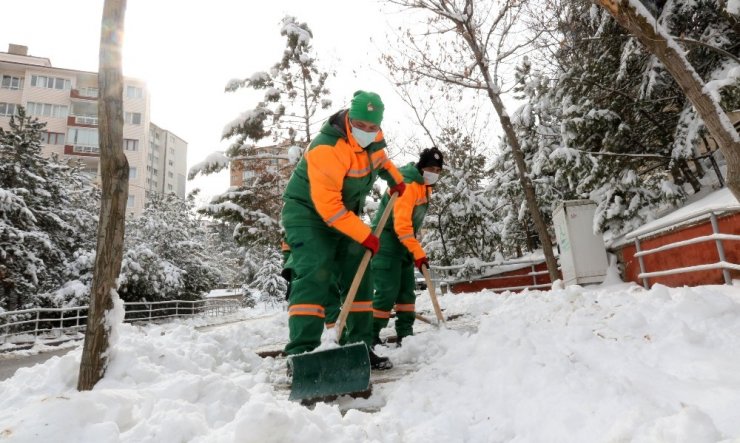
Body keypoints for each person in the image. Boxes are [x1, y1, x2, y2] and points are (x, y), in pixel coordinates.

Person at [281, 90, 406, 370]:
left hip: (342, 214)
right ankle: (302, 354)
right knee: (315, 273)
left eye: (372, 127)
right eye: (361, 125)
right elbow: (329, 209)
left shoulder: (371, 142)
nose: (366, 131)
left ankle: (358, 346)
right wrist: (366, 235)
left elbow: (382, 161)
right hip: (308, 214)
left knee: (359, 270)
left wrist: (396, 180)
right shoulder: (327, 149)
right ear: (349, 119)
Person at [371, 147, 444, 347]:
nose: (434, 174)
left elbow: (410, 226)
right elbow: (401, 225)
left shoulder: (424, 187)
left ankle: (405, 334)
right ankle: (370, 335)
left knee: (406, 292)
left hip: (403, 243)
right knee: (387, 291)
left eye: (438, 171)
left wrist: (412, 249)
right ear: (421, 167)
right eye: (431, 168)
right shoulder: (409, 184)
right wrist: (418, 252)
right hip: (386, 241)